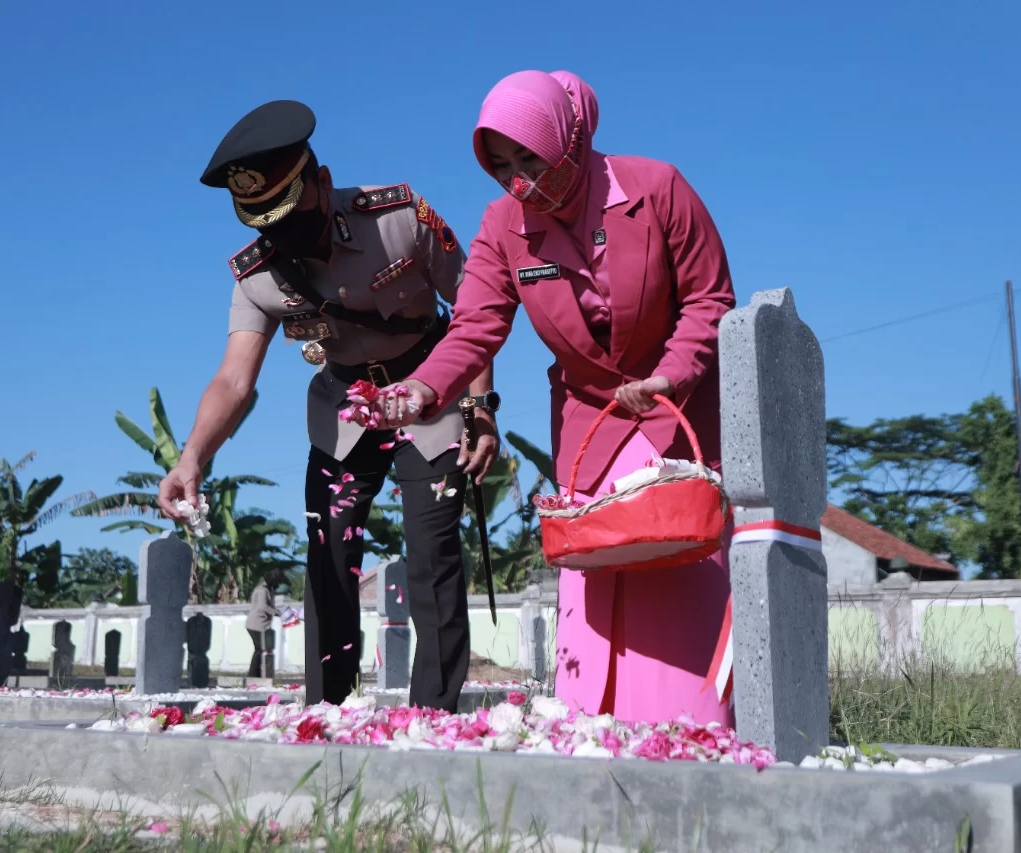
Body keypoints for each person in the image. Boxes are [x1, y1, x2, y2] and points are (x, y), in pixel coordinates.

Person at [377, 71, 737, 727]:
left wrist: (673, 373)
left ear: (568, 139)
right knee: (598, 561)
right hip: (589, 419)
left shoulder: (657, 189)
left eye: (530, 160)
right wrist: (423, 388)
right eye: (502, 167)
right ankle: (594, 721)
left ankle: (694, 724)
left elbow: (711, 297)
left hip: (676, 406)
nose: (520, 182)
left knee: (679, 556)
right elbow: (476, 325)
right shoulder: (504, 226)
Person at [157, 100, 502, 712]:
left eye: (293, 218)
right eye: (267, 226)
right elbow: (234, 381)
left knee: (432, 555)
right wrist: (192, 459)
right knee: (330, 553)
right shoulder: (257, 277)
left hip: (429, 390)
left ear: (321, 182)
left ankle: (434, 718)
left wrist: (480, 410)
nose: (285, 239)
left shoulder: (399, 218)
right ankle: (329, 713)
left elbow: (475, 316)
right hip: (344, 407)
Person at [246, 569, 285, 677]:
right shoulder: (262, 590)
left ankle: (256, 675)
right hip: (256, 624)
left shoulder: (268, 590)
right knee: (259, 649)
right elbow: (263, 606)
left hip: (260, 624)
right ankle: (253, 676)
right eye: (277, 581)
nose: (278, 584)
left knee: (259, 649)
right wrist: (276, 613)